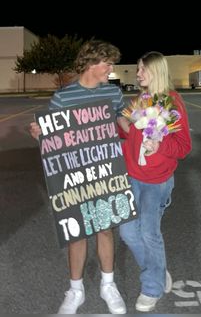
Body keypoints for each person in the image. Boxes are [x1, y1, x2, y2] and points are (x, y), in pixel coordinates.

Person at [30, 39, 130, 315]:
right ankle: (75, 290)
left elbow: (126, 124)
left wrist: (148, 133)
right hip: (73, 174)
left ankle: (108, 285)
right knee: (77, 232)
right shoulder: (63, 98)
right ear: (91, 63)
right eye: (107, 63)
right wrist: (40, 135)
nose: (111, 69)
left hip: (106, 171)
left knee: (105, 228)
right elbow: (50, 138)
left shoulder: (112, 94)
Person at [119, 51, 192, 312]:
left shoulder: (172, 102)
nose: (138, 74)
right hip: (132, 176)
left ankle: (151, 287)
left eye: (142, 69)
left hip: (157, 181)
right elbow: (129, 134)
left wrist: (160, 145)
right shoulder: (140, 100)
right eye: (138, 69)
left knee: (149, 233)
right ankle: (158, 271)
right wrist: (120, 122)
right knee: (127, 232)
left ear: (155, 71)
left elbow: (183, 146)